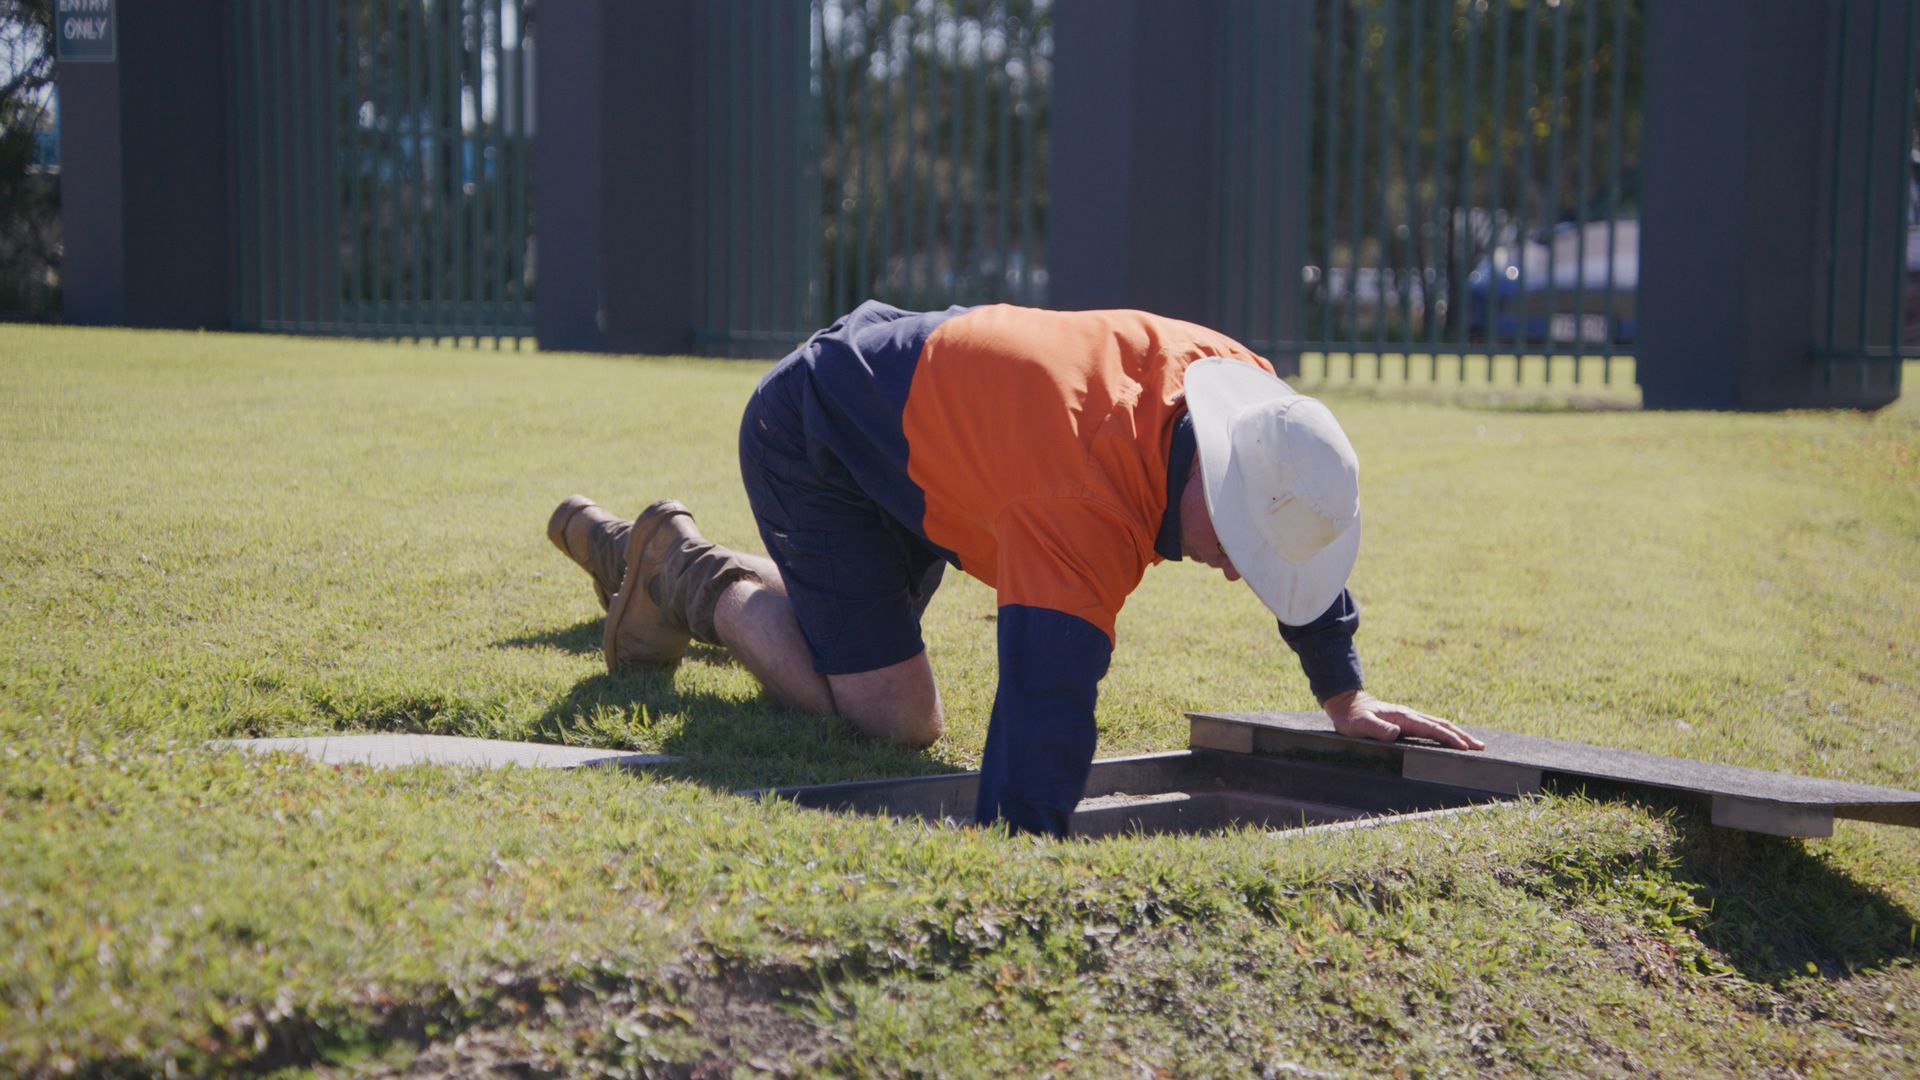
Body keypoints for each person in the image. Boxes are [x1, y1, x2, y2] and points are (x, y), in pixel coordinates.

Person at [547, 301, 1483, 837]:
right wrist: (1017, 865)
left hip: (922, 435)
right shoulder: (1082, 503)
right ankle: (687, 574)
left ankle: (650, 558)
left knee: (858, 643)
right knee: (892, 716)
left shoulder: (1245, 396)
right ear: (1217, 478)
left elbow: (1292, 514)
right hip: (819, 437)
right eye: (1237, 544)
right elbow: (1044, 702)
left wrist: (1343, 694)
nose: (1239, 575)